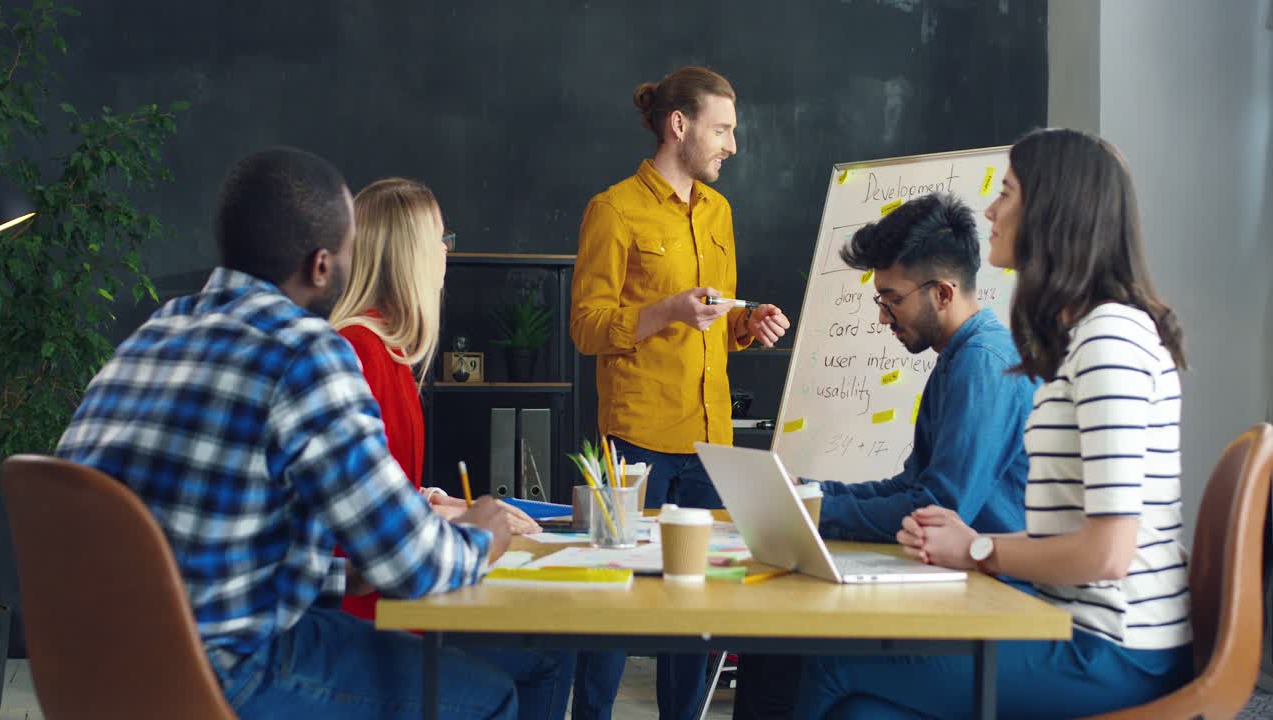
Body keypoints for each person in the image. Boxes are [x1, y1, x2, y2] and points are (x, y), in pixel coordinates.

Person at [56, 147, 565, 719]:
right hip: (229, 669)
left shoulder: (153, 336)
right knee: (490, 696)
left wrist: (339, 572)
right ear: (322, 265)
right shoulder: (306, 353)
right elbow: (416, 567)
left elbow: (206, 546)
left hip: (96, 670)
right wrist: (483, 533)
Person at [795, 128, 1193, 718]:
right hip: (1067, 623)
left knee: (832, 661)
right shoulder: (1084, 339)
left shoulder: (1110, 341)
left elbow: (1108, 555)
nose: (989, 210)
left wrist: (977, 549)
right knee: (862, 710)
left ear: (1052, 211)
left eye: (1006, 193)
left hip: (1112, 648)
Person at [733, 192, 1039, 720]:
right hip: (958, 583)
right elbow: (911, 485)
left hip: (997, 599)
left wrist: (816, 511)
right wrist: (812, 494)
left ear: (942, 293)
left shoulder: (982, 363)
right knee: (773, 645)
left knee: (807, 655)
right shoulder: (959, 356)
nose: (881, 317)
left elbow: (937, 509)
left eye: (891, 300)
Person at [569, 66, 790, 720]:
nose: (732, 145)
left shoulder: (720, 212)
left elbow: (716, 323)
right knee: (616, 600)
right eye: (722, 130)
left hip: (709, 440)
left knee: (695, 608)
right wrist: (665, 311)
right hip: (636, 438)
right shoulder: (613, 210)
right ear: (678, 126)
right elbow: (586, 327)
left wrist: (748, 324)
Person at [327, 176, 573, 719]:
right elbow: (358, 525)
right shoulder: (359, 354)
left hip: (388, 599)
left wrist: (442, 502)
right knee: (546, 655)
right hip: (371, 619)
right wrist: (458, 520)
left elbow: (375, 487)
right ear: (408, 254)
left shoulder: (381, 349)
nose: (446, 251)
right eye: (440, 238)